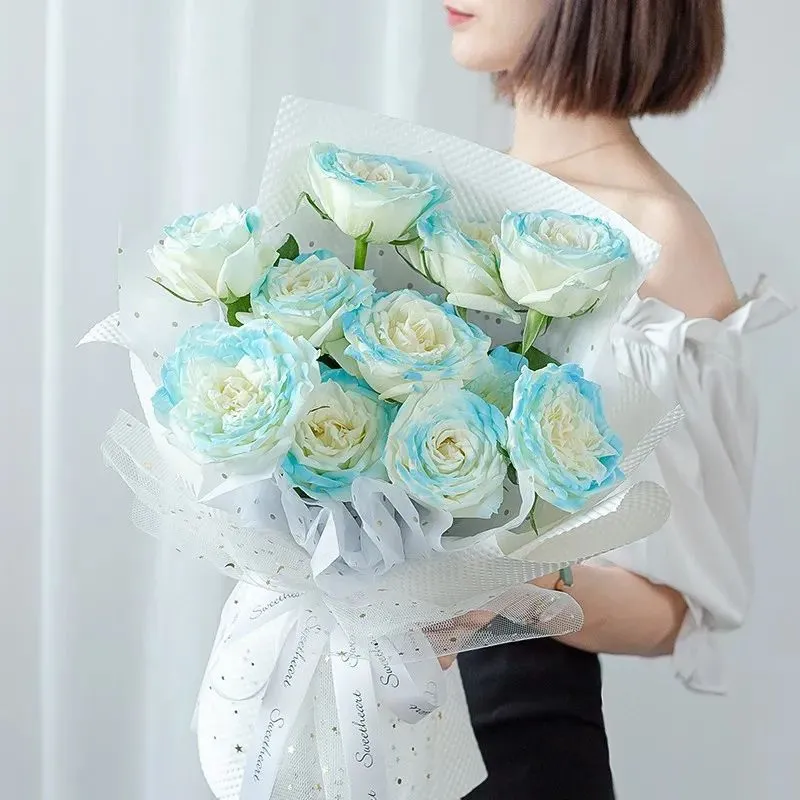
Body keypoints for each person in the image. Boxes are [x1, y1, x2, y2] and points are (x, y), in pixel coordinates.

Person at [443, 2, 790, 797]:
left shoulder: (652, 237)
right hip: (338, 722)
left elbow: (678, 611)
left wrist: (503, 583)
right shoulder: (437, 192)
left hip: (508, 740)